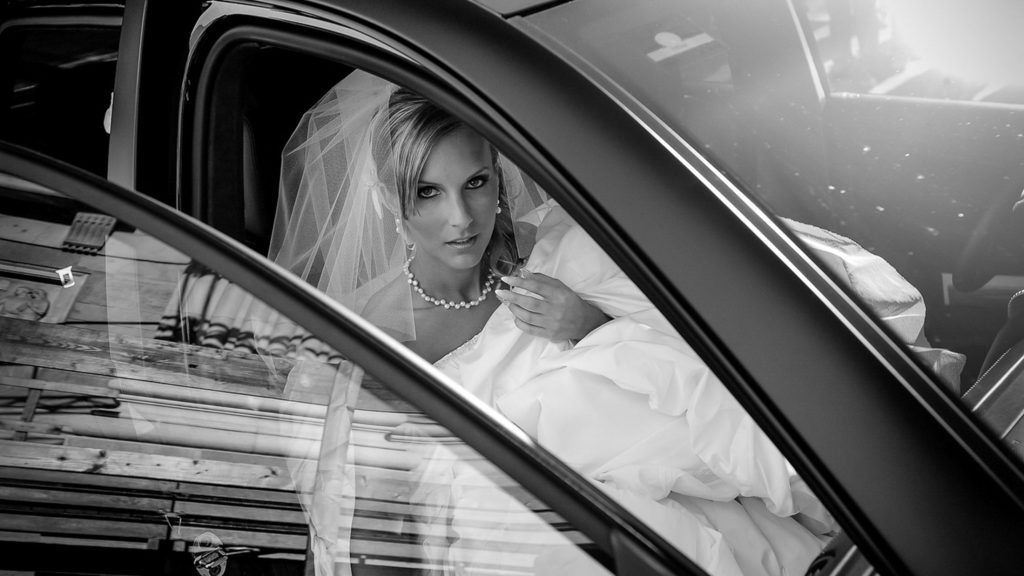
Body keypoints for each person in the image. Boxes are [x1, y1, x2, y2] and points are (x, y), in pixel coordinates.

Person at [268, 69, 852, 576]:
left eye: (476, 182)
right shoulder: (370, 341)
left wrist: (589, 323)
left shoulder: (564, 246)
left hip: (698, 482)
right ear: (387, 202)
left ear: (499, 175)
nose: (462, 219)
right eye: (427, 193)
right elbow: (376, 527)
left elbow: (717, 362)